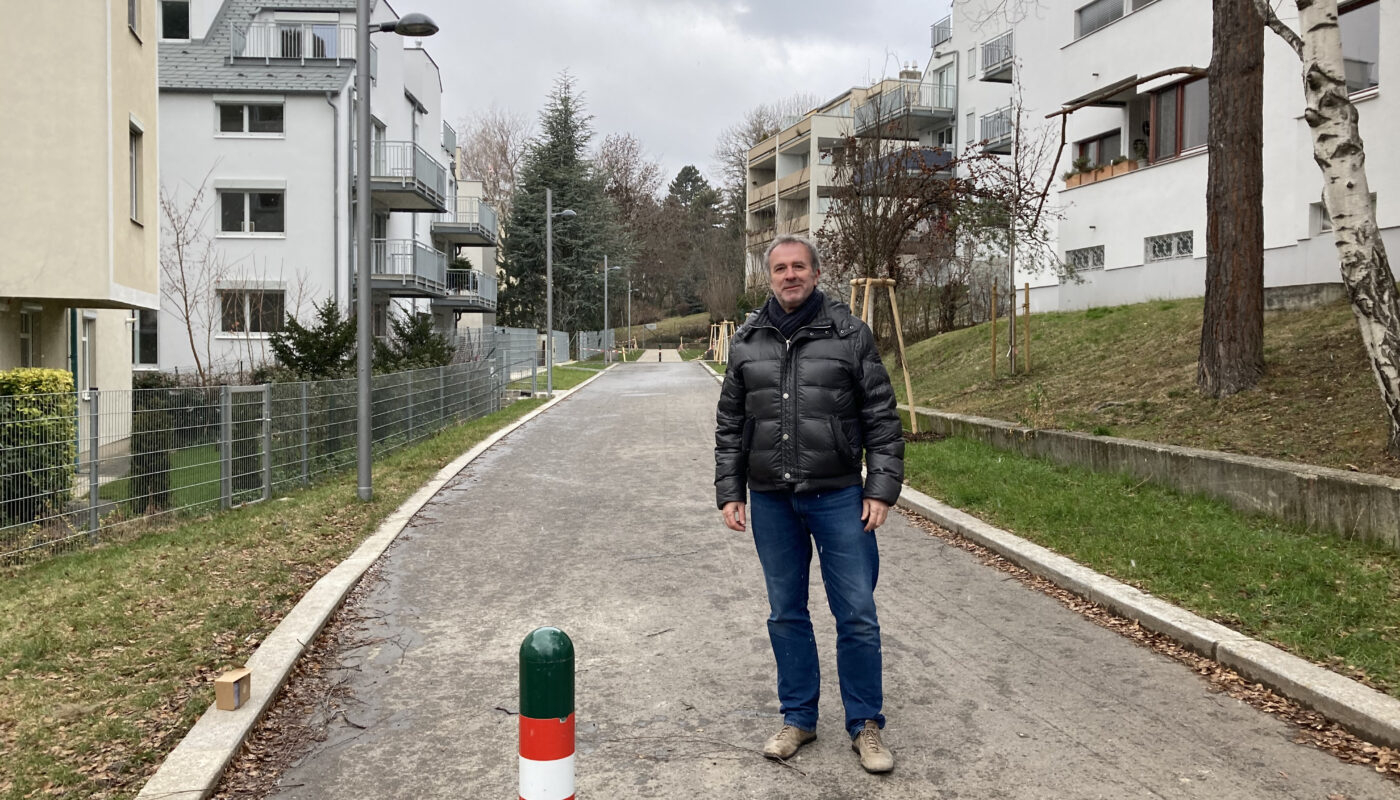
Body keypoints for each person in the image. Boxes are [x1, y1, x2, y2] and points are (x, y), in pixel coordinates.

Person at [714, 233, 904, 774]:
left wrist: (880, 488)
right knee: (786, 614)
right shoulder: (747, 340)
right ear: (769, 276)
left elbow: (881, 419)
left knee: (858, 614)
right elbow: (731, 425)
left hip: (840, 496)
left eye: (800, 266)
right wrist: (731, 490)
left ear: (817, 274)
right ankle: (798, 718)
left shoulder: (850, 334)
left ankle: (865, 724)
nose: (790, 275)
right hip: (772, 501)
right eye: (780, 268)